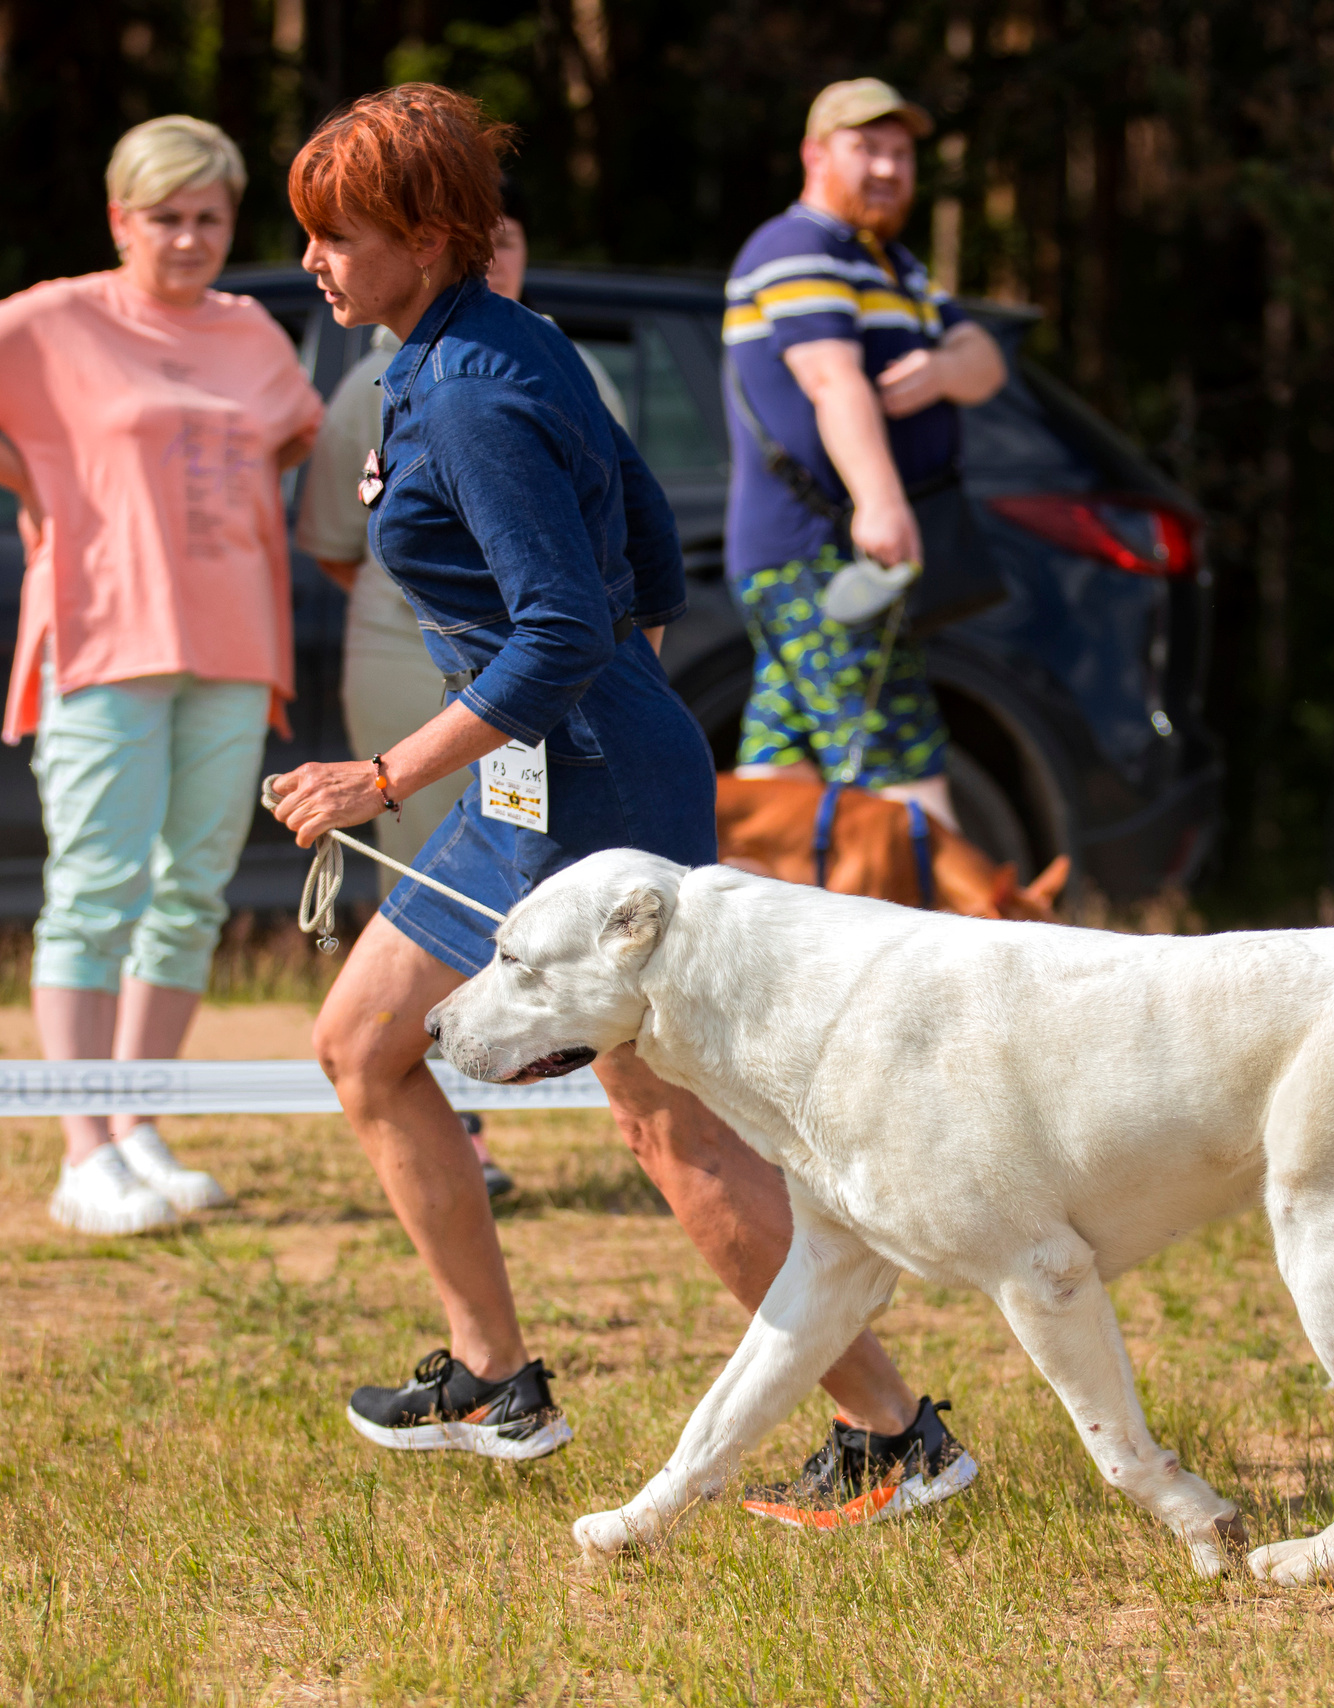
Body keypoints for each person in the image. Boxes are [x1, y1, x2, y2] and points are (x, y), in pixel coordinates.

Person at [267, 85, 977, 1525]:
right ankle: (491, 1382)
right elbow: (645, 525)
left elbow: (551, 633)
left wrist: (383, 774)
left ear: (427, 232)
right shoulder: (475, 345)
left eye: (339, 236)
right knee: (363, 1046)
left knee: (670, 1132)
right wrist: (620, 680)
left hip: (583, 792)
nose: (317, 264)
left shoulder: (466, 390)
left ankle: (899, 1436)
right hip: (554, 774)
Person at [0, 116, 324, 1236]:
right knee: (96, 887)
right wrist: (37, 476)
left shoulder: (253, 331)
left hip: (233, 641)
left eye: (209, 218)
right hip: (104, 634)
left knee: (191, 894)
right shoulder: (59, 315)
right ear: (121, 220)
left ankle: (137, 1125)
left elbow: (291, 439)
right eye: (164, 218)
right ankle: (82, 1151)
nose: (188, 238)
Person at [297, 181, 568, 1199]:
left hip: (536, 676)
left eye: (507, 244)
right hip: (409, 663)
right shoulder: (367, 386)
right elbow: (336, 544)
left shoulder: (525, 366)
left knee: (536, 892)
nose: (492, 262)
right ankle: (463, 1122)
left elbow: (600, 580)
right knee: (421, 886)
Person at [721, 78, 1009, 830]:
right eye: (866, 149)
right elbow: (831, 379)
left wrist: (945, 369)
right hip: (820, 552)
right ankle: (955, 943)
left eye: (901, 153)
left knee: (773, 777)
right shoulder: (796, 246)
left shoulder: (894, 264)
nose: (887, 168)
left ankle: (739, 938)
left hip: (816, 557)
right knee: (901, 769)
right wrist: (881, 502)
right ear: (815, 154)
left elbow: (987, 364)